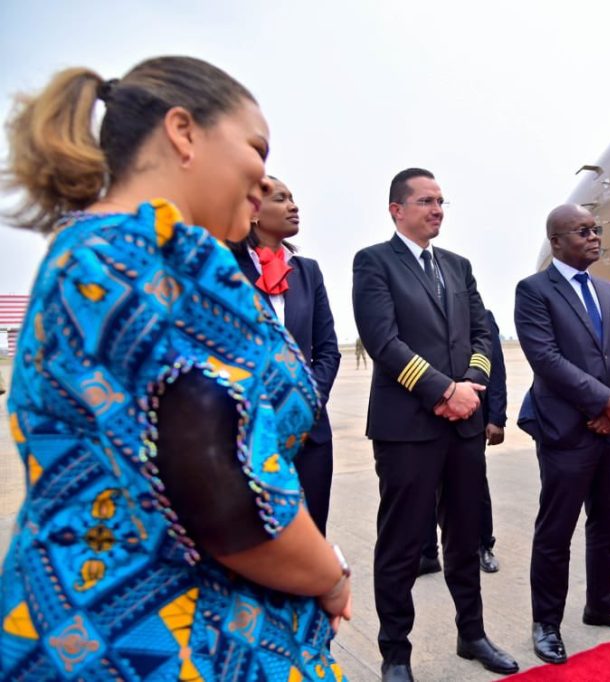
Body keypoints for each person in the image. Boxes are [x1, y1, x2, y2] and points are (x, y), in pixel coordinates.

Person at [0, 57, 351, 680]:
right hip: (156, 641)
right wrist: (328, 575)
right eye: (255, 146)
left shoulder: (99, 251)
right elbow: (232, 503)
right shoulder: (146, 262)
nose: (264, 176)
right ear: (183, 131)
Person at [352, 168, 517, 680]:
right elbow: (383, 341)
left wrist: (469, 385)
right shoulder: (374, 262)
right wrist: (444, 391)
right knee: (402, 544)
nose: (438, 209)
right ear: (396, 210)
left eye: (442, 200)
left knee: (465, 537)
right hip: (407, 430)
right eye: (426, 201)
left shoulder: (458, 266)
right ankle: (395, 654)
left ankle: (472, 634)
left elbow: (483, 333)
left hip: (461, 428)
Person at [516, 204, 610, 666]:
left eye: (596, 230)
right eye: (583, 231)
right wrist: (602, 402)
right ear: (556, 241)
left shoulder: (609, 292)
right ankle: (547, 623)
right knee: (556, 531)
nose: (595, 237)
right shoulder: (534, 291)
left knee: (608, 523)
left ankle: (602, 604)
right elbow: (547, 359)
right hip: (565, 432)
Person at [232, 176, 340, 535]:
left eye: (293, 198)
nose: (294, 206)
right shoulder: (227, 269)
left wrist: (306, 401)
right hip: (251, 429)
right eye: (281, 199)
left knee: (312, 534)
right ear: (253, 212)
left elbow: (327, 349)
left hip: (310, 431)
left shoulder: (307, 271)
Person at [420, 309, 508, 575]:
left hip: (470, 415)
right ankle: (427, 553)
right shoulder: (422, 312)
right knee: (424, 485)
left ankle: (483, 545)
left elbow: (497, 369)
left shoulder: (480, 316)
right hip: (429, 415)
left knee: (475, 485)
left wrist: (497, 417)